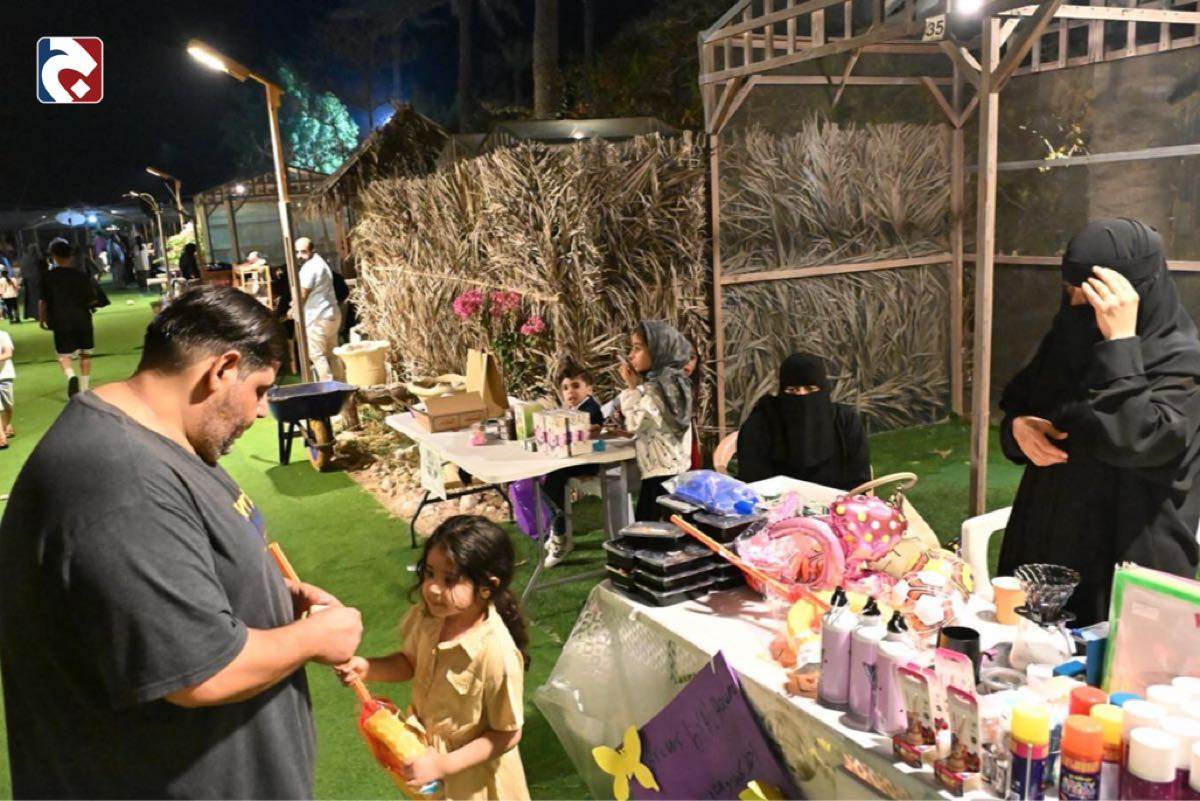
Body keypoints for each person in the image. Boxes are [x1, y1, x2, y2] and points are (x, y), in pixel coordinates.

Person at [0, 285, 364, 798]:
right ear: (223, 369)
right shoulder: (120, 481)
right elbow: (201, 673)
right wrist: (317, 638)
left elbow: (152, 582)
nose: (261, 412)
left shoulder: (161, 439)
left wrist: (272, 595)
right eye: (260, 390)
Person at [996, 218, 1200, 626]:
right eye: (1069, 290)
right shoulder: (1066, 340)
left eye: (1092, 295)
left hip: (1128, 560)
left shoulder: (1182, 363)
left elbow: (1135, 441)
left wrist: (1121, 345)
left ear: (1135, 293)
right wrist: (1019, 429)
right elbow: (1021, 409)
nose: (1075, 305)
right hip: (1045, 543)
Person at [337, 515, 530, 801]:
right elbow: (409, 662)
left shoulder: (497, 654)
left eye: (450, 580)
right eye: (429, 574)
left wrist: (443, 765)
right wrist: (367, 667)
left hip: (476, 783)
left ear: (487, 586)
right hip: (428, 760)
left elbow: (507, 734)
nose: (433, 588)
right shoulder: (429, 618)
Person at [736, 352, 872, 490]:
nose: (802, 396)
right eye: (792, 390)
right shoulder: (761, 423)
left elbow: (859, 480)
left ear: (823, 389)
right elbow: (754, 483)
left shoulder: (845, 422)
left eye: (810, 389)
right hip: (775, 502)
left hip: (839, 502)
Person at [619, 320, 694, 521]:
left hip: (659, 477)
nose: (631, 355)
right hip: (676, 472)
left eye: (637, 348)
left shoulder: (658, 391)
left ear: (657, 350)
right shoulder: (676, 383)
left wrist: (631, 388)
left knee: (648, 532)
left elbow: (634, 424)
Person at [543, 363, 606, 567]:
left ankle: (561, 535)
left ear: (589, 389)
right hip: (573, 458)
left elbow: (579, 433)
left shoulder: (590, 410)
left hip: (585, 461)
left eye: (576, 386)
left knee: (551, 484)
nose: (570, 391)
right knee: (548, 480)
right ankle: (558, 527)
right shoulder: (573, 410)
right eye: (566, 388)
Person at [40, 240, 95, 398]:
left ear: (54, 256)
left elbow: (43, 301)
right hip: (82, 318)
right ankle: (85, 388)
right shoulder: (80, 276)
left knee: (63, 355)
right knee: (85, 354)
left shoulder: (48, 277)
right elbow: (91, 300)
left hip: (60, 320)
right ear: (71, 256)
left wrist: (42, 319)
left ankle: (71, 376)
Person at [295, 236, 342, 381]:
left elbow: (303, 293)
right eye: (297, 252)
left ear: (312, 250)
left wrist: (293, 308)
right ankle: (341, 383)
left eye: (303, 252)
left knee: (317, 355)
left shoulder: (310, 267)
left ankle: (327, 386)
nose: (299, 256)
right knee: (332, 352)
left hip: (318, 315)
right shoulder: (321, 263)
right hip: (331, 313)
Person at [20, 243, 44, 321]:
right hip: (37, 281)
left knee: (31, 299)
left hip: (28, 282)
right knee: (39, 298)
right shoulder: (37, 258)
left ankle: (33, 314)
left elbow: (23, 270)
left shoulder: (25, 258)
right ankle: (39, 314)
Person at [0, 327, 13, 448]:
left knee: (8, 405)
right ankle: (1, 437)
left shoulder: (3, 335)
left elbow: (8, 353)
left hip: (4, 375)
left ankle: (7, 424)